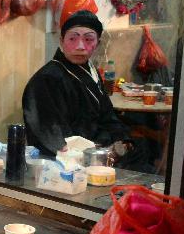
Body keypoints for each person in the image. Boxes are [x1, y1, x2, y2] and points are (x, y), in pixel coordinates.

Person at [22, 10, 149, 170]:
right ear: (61, 41)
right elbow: (50, 135)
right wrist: (95, 151)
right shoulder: (46, 80)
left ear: (97, 43)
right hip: (69, 159)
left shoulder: (90, 70)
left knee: (141, 148)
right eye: (73, 38)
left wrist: (122, 140)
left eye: (88, 39)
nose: (80, 46)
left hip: (99, 145)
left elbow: (107, 115)